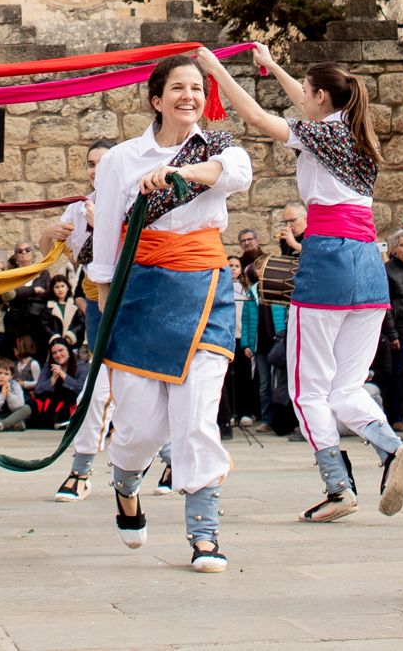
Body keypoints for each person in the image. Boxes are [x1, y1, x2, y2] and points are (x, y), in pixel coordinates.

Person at [208, 46, 403, 524]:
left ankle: (339, 487)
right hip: (368, 264)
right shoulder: (358, 136)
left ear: (321, 97)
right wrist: (272, 65)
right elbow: (301, 104)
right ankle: (390, 449)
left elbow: (258, 117)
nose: (301, 96)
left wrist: (216, 69)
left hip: (329, 260)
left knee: (307, 391)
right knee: (346, 386)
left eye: (306, 90)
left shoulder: (320, 135)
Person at [83, 50, 254, 575]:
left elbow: (239, 174)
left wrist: (182, 172)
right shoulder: (120, 160)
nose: (190, 97)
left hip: (205, 289)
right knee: (140, 428)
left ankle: (204, 533)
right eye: (178, 88)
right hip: (140, 293)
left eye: (197, 89)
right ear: (156, 99)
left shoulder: (217, 147)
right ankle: (125, 481)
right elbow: (107, 238)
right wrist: (107, 302)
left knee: (197, 416)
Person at [48, 141, 116, 503]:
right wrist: (49, 233)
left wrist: (105, 225)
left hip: (134, 303)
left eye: (103, 164)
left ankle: (168, 460)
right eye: (91, 164)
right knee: (97, 386)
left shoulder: (136, 203)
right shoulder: (78, 209)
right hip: (98, 306)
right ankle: (82, 468)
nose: (95, 170)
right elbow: (52, 251)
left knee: (149, 390)